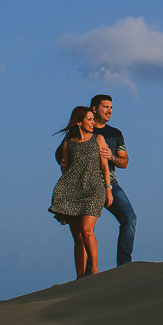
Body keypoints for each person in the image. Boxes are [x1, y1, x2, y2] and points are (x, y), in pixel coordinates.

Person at [55, 94, 137, 266]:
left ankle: (124, 266)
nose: (110, 111)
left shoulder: (114, 134)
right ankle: (86, 277)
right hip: (81, 185)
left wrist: (112, 157)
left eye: (111, 107)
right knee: (83, 232)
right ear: (94, 109)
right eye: (106, 107)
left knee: (129, 219)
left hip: (108, 183)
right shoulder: (79, 130)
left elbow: (125, 162)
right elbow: (63, 153)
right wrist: (63, 164)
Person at [49, 105, 112, 278]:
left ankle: (94, 270)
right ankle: (80, 278)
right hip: (72, 191)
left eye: (93, 119)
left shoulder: (98, 139)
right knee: (77, 238)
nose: (93, 122)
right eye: (89, 119)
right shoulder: (67, 143)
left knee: (86, 230)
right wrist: (63, 166)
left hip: (94, 189)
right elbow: (66, 168)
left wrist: (108, 189)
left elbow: (105, 167)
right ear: (79, 122)